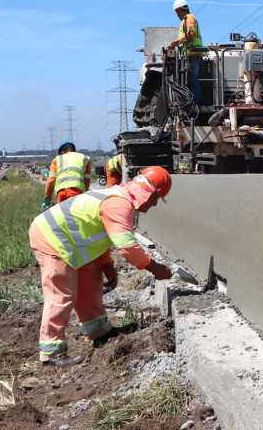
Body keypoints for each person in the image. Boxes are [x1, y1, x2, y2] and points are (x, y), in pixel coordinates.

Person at [29, 166, 174, 367]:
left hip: (70, 241)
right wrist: (154, 267)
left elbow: (100, 233)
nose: (154, 204)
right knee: (61, 293)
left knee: (90, 283)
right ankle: (51, 353)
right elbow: (127, 246)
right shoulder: (119, 204)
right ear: (146, 193)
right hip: (51, 238)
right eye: (155, 198)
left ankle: (100, 332)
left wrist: (106, 264)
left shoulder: (119, 198)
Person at [169, 0, 204, 105]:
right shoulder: (186, 19)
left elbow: (190, 34)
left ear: (179, 11)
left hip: (193, 55)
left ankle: (196, 104)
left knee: (192, 80)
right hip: (190, 55)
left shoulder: (189, 18)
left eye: (177, 13)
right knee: (189, 80)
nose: (177, 15)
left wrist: (177, 41)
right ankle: (192, 103)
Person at [43, 141, 92, 210]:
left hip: (61, 191)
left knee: (62, 214)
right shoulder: (84, 158)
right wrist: (84, 194)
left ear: (62, 151)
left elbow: (51, 180)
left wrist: (47, 199)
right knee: (77, 214)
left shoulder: (57, 159)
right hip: (77, 190)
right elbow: (87, 179)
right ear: (74, 150)